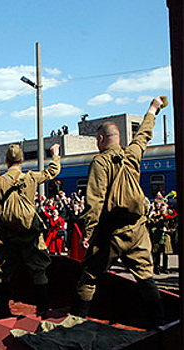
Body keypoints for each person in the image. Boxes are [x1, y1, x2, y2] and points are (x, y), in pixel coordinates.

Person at [71, 96, 167, 328]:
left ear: (100, 140)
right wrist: (152, 109)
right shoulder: (132, 154)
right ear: (120, 139)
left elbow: (94, 202)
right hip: (137, 231)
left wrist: (88, 234)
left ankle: (75, 323)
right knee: (146, 278)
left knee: (89, 276)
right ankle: (161, 326)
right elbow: (144, 134)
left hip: (110, 233)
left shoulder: (100, 162)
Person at [0, 143, 60, 318]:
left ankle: (1, 309)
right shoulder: (31, 178)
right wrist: (55, 154)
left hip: (8, 234)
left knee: (2, 271)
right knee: (39, 271)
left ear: (6, 161)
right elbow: (52, 172)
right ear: (21, 160)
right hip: (30, 232)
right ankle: (42, 310)